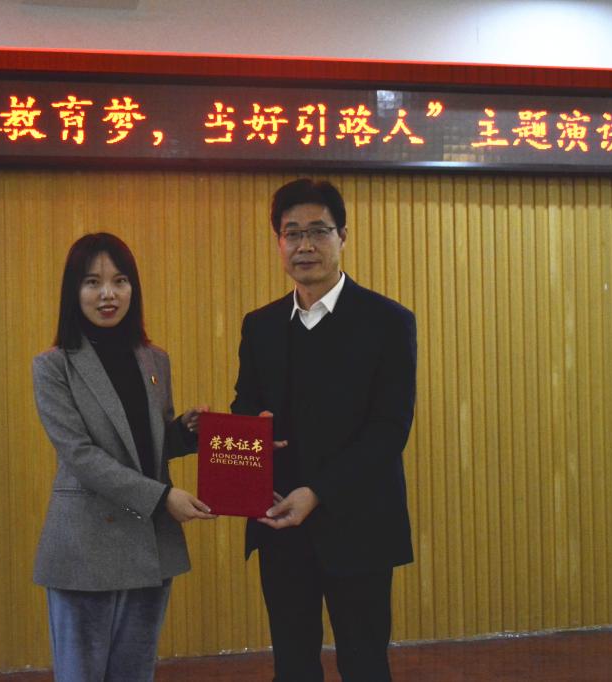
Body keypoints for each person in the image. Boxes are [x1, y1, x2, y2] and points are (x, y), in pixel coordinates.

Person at [231, 179, 417, 682]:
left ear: (343, 237)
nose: (305, 245)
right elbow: (245, 405)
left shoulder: (388, 322)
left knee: (364, 663)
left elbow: (389, 428)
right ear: (279, 242)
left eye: (318, 231)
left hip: (359, 523)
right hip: (280, 521)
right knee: (292, 664)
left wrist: (318, 492)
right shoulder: (260, 325)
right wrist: (250, 427)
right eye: (292, 233)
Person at [32, 232, 215, 682]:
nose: (108, 294)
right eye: (92, 282)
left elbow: (146, 445)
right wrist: (162, 497)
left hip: (150, 544)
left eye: (120, 280)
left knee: (135, 673)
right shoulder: (54, 365)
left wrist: (185, 431)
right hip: (86, 546)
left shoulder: (154, 360)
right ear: (74, 292)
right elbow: (81, 456)